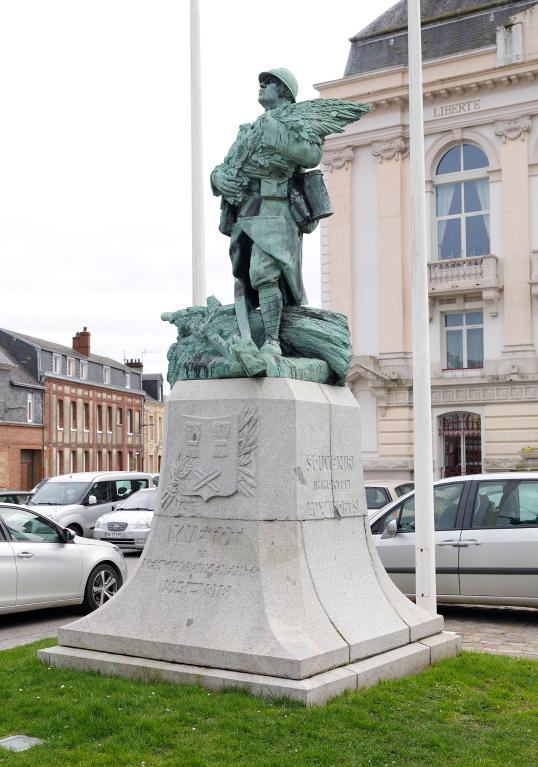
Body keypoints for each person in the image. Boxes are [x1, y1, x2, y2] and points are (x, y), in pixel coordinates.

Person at [210, 68, 323, 356]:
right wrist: (217, 178)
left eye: (269, 82)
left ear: (285, 92)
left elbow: (311, 156)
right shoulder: (248, 130)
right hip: (245, 210)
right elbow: (226, 165)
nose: (262, 86)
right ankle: (249, 336)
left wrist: (277, 133)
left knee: (264, 272)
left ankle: (272, 341)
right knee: (244, 276)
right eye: (262, 82)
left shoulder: (298, 123)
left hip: (276, 209)